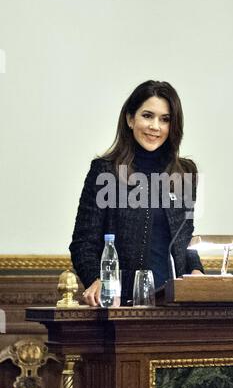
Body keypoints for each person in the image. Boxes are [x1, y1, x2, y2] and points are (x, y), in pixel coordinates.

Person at [69, 80, 204, 307]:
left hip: (175, 305)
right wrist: (96, 279)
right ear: (130, 119)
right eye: (147, 116)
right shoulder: (105, 171)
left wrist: (196, 271)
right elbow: (83, 242)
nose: (155, 126)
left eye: (165, 119)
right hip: (121, 304)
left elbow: (184, 240)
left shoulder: (184, 173)